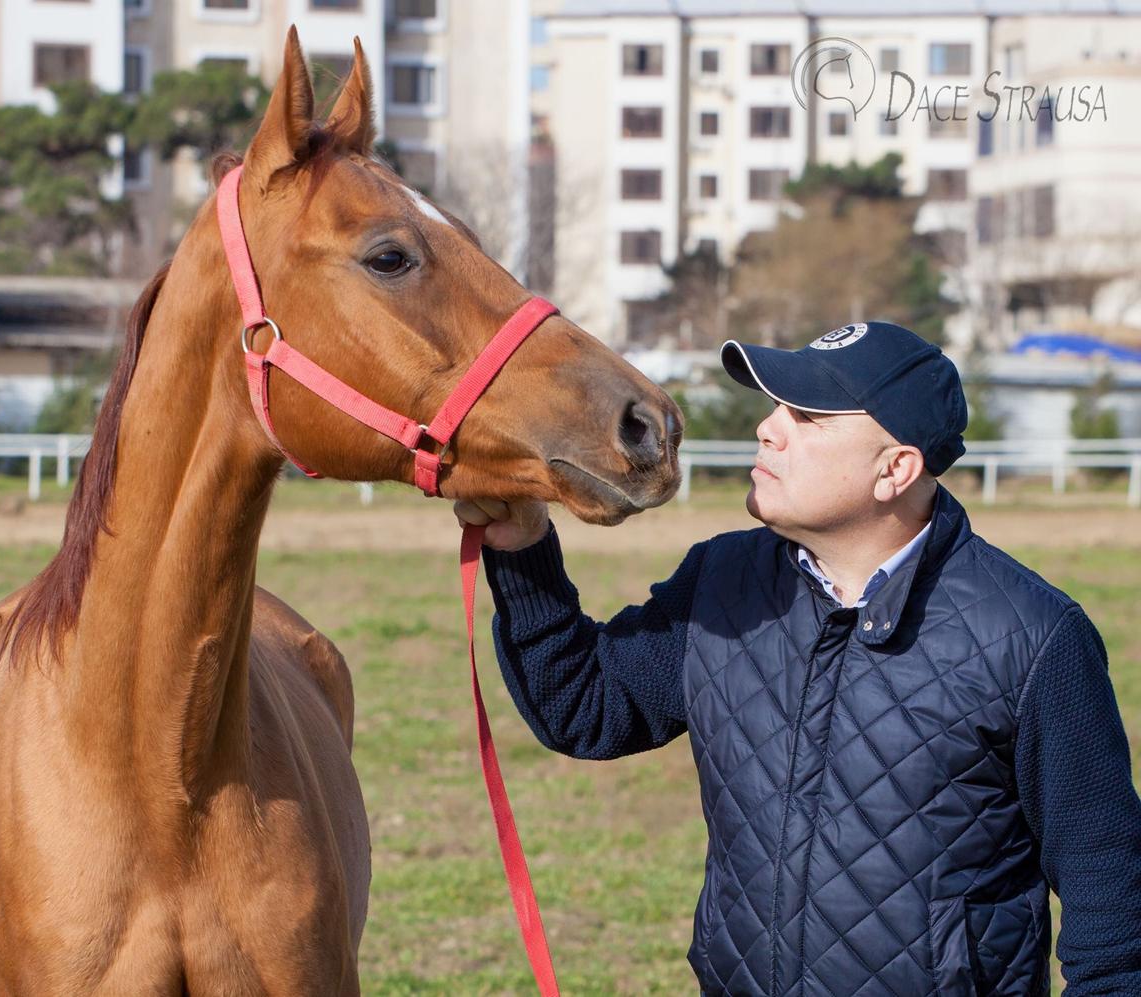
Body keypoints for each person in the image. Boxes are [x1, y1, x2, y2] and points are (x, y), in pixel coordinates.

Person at [455, 321, 1141, 996]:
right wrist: (522, 550)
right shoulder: (723, 581)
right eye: (775, 405)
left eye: (808, 415)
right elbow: (585, 707)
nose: (769, 428)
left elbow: (1109, 900)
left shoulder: (1034, 636)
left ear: (895, 468)